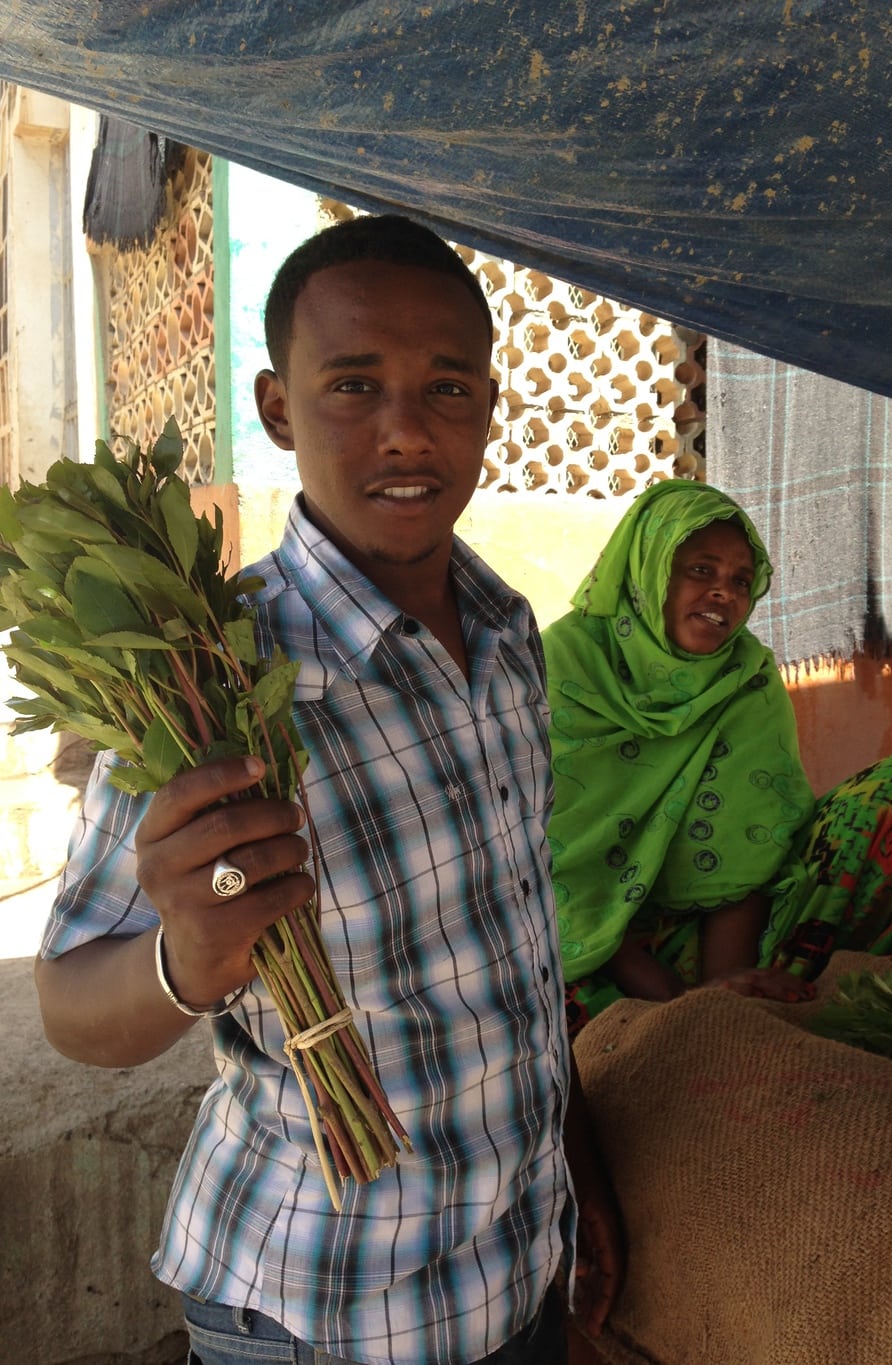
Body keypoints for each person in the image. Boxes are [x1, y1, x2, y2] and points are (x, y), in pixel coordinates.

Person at [34, 215, 623, 1364]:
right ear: (276, 408)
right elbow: (69, 1008)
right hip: (324, 1311)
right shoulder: (208, 676)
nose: (407, 432)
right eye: (353, 385)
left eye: (447, 388)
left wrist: (573, 1176)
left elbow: (518, 958)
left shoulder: (509, 637)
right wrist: (186, 963)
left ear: (490, 408)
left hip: (518, 1272)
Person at [542, 478, 892, 1039]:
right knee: (548, 1003)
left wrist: (726, 988)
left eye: (741, 580)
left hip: (711, 942)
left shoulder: (744, 680)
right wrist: (677, 998)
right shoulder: (559, 670)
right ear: (646, 570)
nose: (725, 592)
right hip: (585, 951)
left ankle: (768, 1005)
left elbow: (746, 848)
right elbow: (543, 867)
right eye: (701, 570)